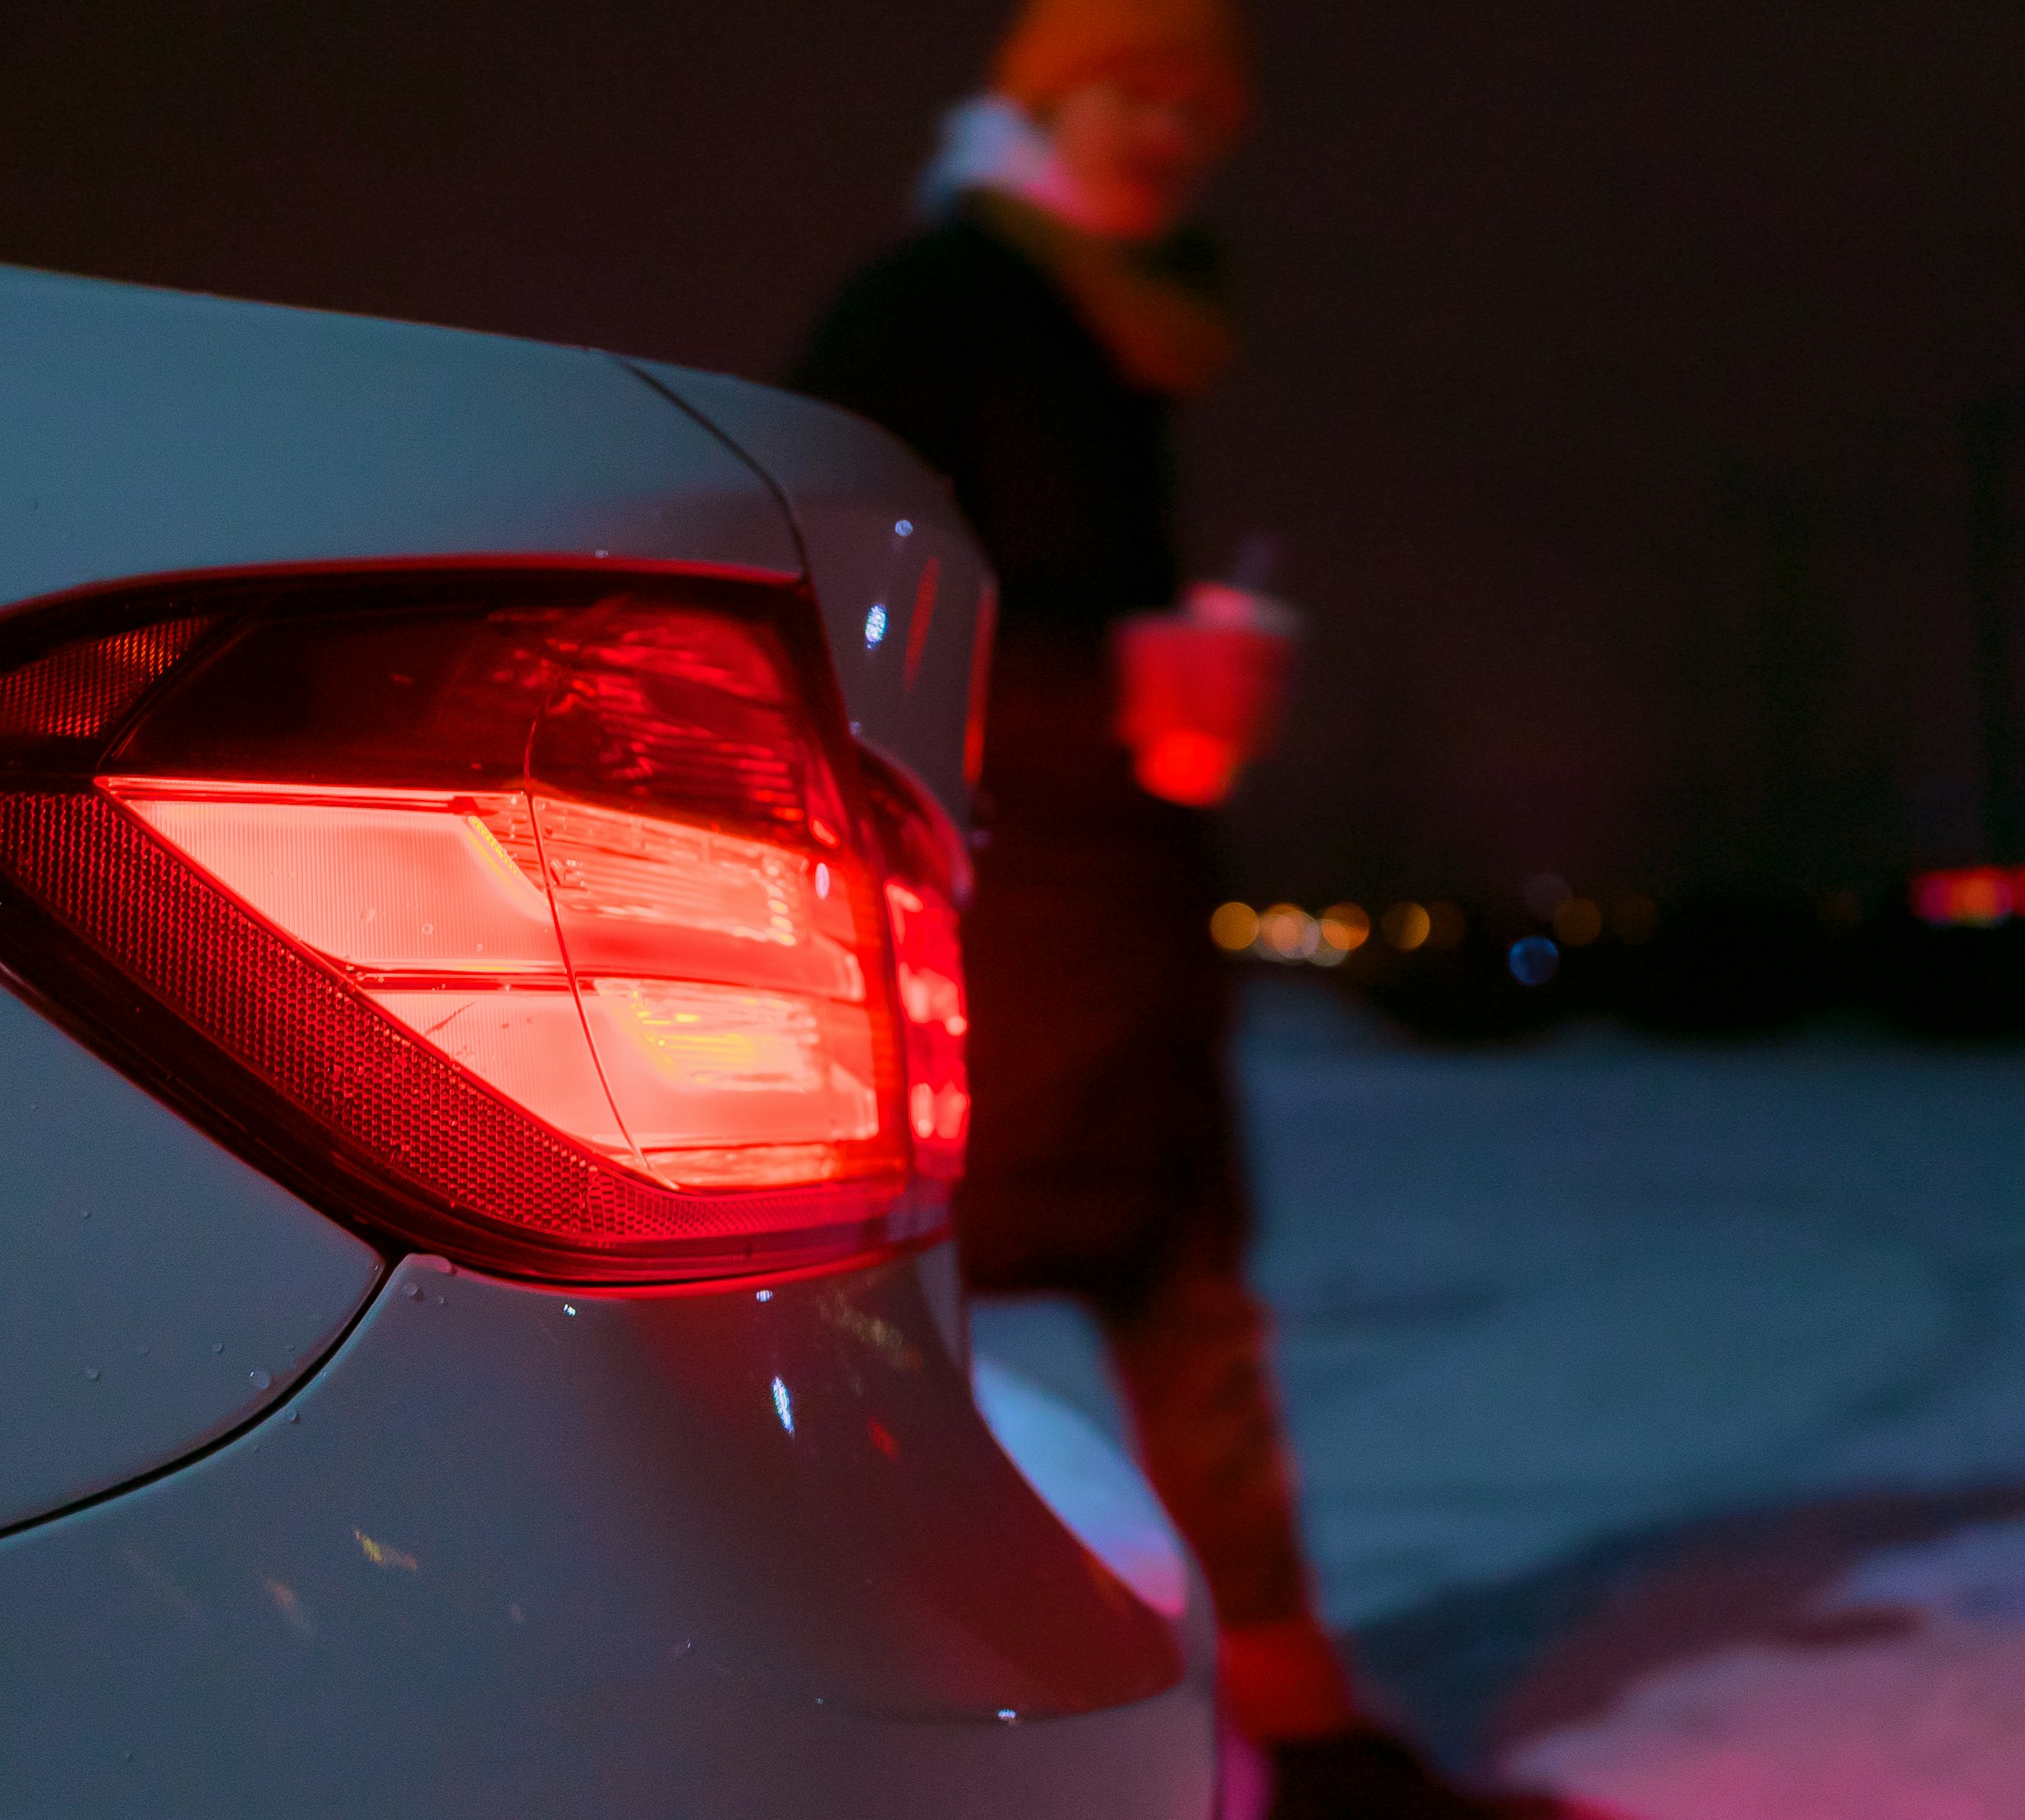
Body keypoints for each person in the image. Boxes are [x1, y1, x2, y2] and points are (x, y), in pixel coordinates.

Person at [791, 5, 1563, 1815]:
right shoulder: (938, 303)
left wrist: (1185, 693)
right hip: (967, 917)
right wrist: (1118, 681)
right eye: (1132, 90)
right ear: (1045, 97)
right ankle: (885, 1751)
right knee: (891, 1350)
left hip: (1125, 913)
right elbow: (840, 593)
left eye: (1200, 110)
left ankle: (1299, 1730)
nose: (1167, 132)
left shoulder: (1119, 339)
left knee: (1195, 1318)